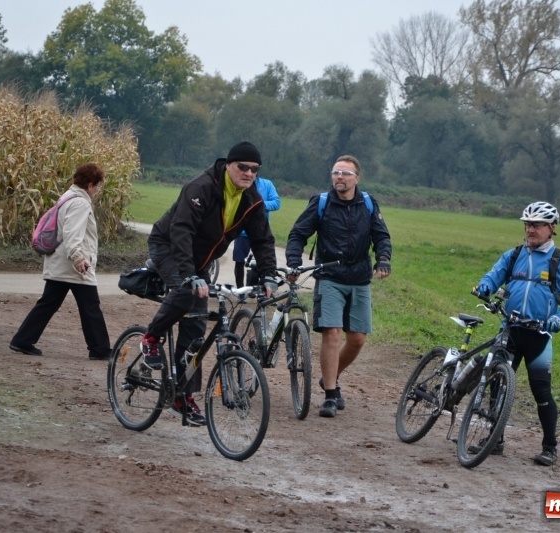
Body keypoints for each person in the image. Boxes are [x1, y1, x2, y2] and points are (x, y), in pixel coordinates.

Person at [140, 141, 278, 426]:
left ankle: (183, 396)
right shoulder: (201, 187)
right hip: (169, 245)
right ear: (228, 164)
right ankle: (151, 338)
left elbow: (263, 239)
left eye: (255, 169)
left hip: (200, 260)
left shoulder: (251, 199)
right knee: (183, 291)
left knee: (195, 329)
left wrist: (268, 275)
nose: (249, 173)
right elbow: (181, 230)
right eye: (243, 167)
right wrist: (189, 274)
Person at [474, 201, 560, 466]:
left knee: (541, 392)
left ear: (552, 228)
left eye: (536, 225)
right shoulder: (514, 255)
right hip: (510, 330)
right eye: (527, 224)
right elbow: (493, 276)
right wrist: (484, 287)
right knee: (497, 383)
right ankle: (495, 439)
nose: (530, 230)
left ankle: (550, 447)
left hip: (539, 336)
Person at [285, 155, 392, 418]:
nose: (339, 178)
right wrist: (294, 263)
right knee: (332, 332)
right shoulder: (321, 202)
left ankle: (329, 377)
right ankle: (331, 395)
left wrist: (384, 259)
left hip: (359, 277)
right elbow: (298, 234)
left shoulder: (368, 203)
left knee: (357, 339)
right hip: (329, 275)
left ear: (357, 178)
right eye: (335, 173)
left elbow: (381, 235)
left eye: (345, 173)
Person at [10, 163, 112, 361]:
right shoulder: (80, 203)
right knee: (91, 307)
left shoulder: (67, 197)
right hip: (74, 266)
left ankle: (22, 340)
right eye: (98, 185)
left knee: (48, 303)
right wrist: (79, 258)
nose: (98, 190)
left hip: (60, 263)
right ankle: (100, 349)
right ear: (90, 184)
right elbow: (73, 234)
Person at [233, 175, 280, 288]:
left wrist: (259, 205)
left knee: (261, 262)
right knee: (239, 262)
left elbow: (276, 203)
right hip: (241, 232)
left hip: (260, 232)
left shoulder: (267, 184)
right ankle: (240, 291)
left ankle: (258, 289)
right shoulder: (239, 183)